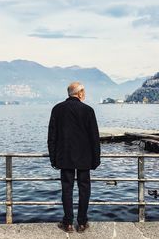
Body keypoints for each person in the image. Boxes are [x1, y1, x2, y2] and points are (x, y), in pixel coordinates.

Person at [47, 82, 101, 233]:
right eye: (84, 91)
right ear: (80, 93)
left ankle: (68, 223)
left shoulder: (57, 109)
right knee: (84, 189)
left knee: (67, 189)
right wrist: (96, 159)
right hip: (85, 158)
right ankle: (82, 223)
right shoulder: (88, 110)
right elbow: (94, 138)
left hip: (64, 157)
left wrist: (53, 158)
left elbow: (52, 136)